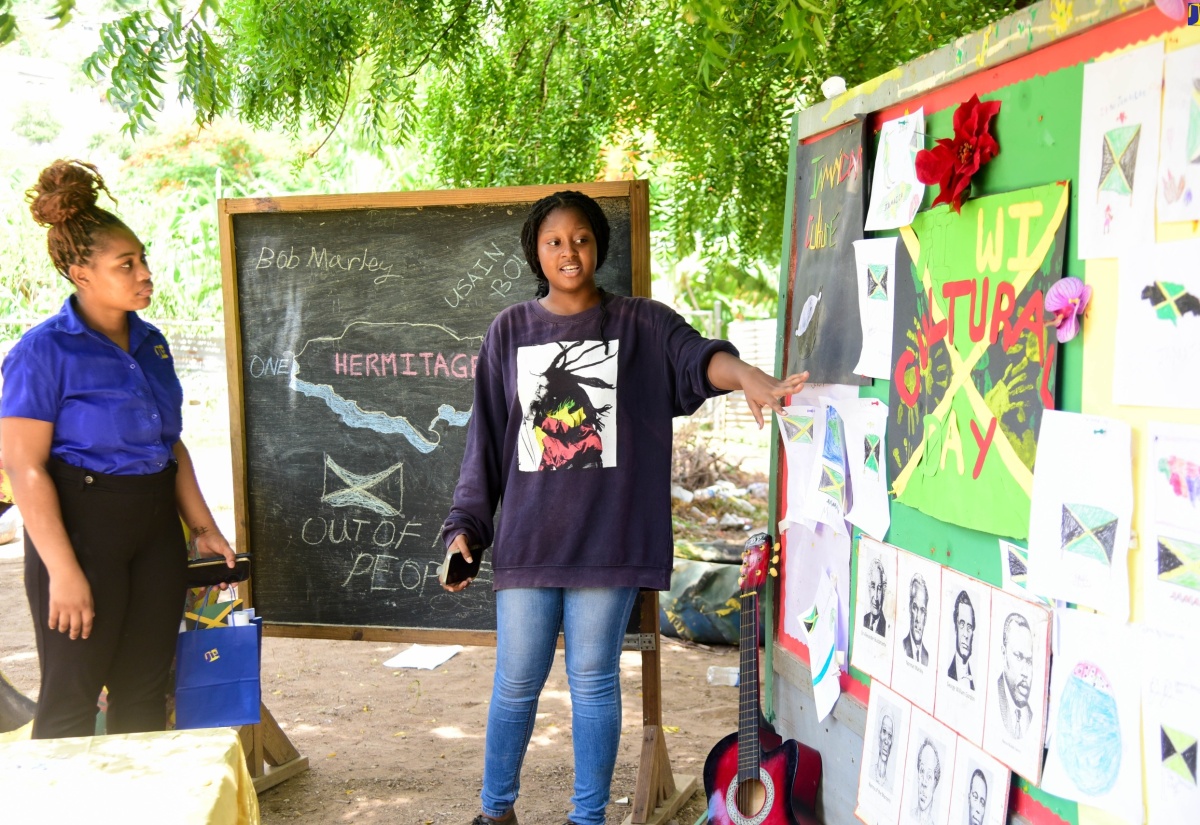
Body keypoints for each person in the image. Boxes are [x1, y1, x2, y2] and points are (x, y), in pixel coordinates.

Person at [440, 190, 807, 825]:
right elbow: (487, 445)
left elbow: (699, 359)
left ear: (598, 246)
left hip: (608, 543)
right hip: (530, 545)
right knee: (515, 685)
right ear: (537, 250)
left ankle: (589, 820)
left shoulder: (641, 324)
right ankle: (495, 812)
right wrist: (465, 529)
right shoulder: (510, 331)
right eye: (554, 241)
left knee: (593, 683)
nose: (568, 251)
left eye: (580, 238)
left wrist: (748, 376)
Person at [0, 160, 235, 739]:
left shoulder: (151, 343)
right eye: (125, 265)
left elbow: (169, 444)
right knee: (72, 697)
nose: (145, 273)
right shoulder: (43, 352)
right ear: (80, 272)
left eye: (143, 259)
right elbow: (23, 466)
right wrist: (63, 571)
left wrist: (201, 527)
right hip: (84, 532)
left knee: (145, 689)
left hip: (156, 530)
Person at [996, 612, 1034, 739]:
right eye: (1018, 656)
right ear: (1003, 654)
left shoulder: (1030, 717)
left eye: (1029, 661)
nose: (1025, 672)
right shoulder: (993, 697)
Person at [947, 591, 975, 689]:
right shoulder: (947, 673)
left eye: (969, 627)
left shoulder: (974, 681)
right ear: (956, 628)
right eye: (962, 625)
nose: (966, 634)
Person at [910, 739, 941, 825]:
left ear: (935, 783)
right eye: (922, 771)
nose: (924, 783)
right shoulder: (909, 814)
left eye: (929, 776)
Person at [902, 574, 929, 664]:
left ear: (926, 616)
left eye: (922, 610)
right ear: (910, 609)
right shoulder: (902, 647)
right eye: (915, 608)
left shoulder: (927, 657)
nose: (918, 618)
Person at [863, 557, 887, 637]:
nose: (876, 597)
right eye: (873, 586)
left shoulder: (886, 627)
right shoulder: (864, 619)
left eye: (879, 588)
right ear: (869, 588)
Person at [873, 711, 896, 787]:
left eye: (890, 735)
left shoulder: (889, 787)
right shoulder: (869, 771)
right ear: (879, 734)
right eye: (884, 731)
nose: (886, 741)